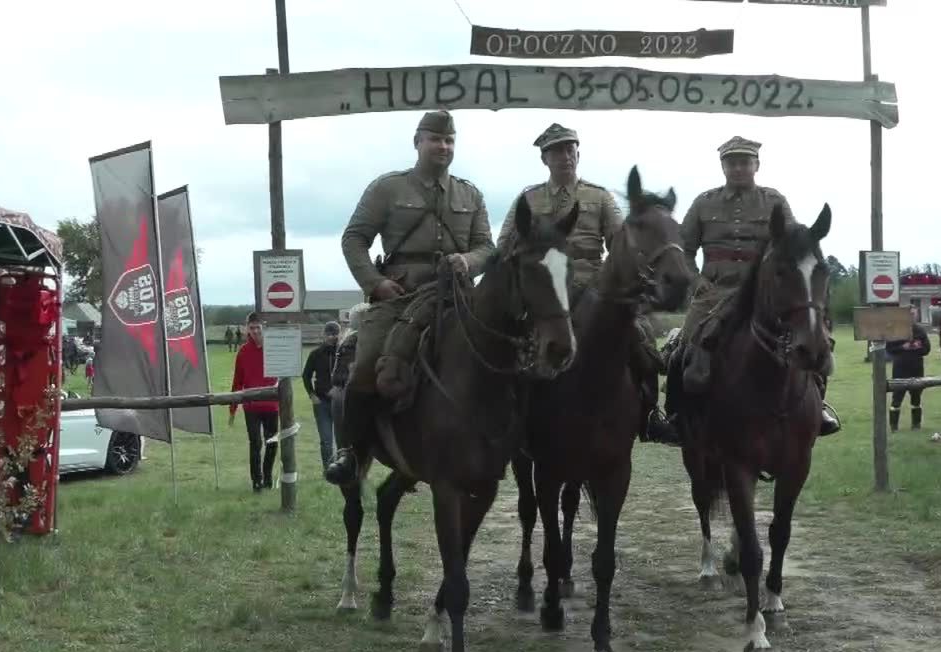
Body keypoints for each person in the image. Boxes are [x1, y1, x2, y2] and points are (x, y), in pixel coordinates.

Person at [324, 110, 495, 487]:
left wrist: (467, 260)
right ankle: (351, 451)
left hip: (457, 297)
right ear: (417, 142)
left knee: (505, 350)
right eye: (435, 139)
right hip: (400, 295)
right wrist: (375, 282)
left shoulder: (470, 194)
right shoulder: (387, 188)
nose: (443, 146)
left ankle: (508, 439)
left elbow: (487, 247)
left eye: (449, 140)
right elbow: (354, 239)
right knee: (367, 362)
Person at [496, 122, 674, 443]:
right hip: (545, 292)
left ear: (578, 154)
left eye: (570, 149)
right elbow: (504, 244)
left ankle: (649, 413)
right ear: (544, 159)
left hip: (594, 288)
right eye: (557, 151)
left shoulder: (599, 197)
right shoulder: (529, 199)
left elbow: (621, 242)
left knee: (641, 336)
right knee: (508, 344)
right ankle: (507, 417)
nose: (565, 157)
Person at [659, 136, 840, 441]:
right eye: (732, 163)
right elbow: (683, 249)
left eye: (745, 162)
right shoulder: (704, 202)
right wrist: (696, 282)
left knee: (810, 335)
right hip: (713, 293)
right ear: (723, 167)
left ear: (756, 165)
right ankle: (676, 416)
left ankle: (816, 405)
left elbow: (793, 244)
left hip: (762, 294)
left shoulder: (774, 201)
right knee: (684, 347)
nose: (738, 168)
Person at [229, 312, 281, 492]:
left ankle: (267, 476)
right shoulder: (243, 352)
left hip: (272, 405)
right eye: (252, 328)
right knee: (255, 444)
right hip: (251, 406)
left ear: (263, 327)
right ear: (247, 330)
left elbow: (283, 376)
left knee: (272, 442)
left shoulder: (273, 349)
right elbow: (237, 380)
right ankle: (256, 481)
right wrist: (233, 408)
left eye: (258, 327)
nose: (256, 331)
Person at [303, 320, 342, 467]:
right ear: (324, 335)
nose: (333, 337)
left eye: (336, 334)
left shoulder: (344, 353)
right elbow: (306, 375)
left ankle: (342, 467)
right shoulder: (316, 354)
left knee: (341, 440)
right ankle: (328, 469)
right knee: (326, 440)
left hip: (339, 403)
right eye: (330, 334)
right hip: (322, 403)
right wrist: (312, 395)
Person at [885, 322, 932, 431]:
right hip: (900, 368)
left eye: (913, 314)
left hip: (916, 367)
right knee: (897, 397)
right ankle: (894, 426)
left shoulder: (920, 330)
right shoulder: (896, 330)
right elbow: (889, 349)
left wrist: (917, 346)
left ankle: (916, 424)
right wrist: (902, 347)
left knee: (916, 397)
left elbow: (927, 349)